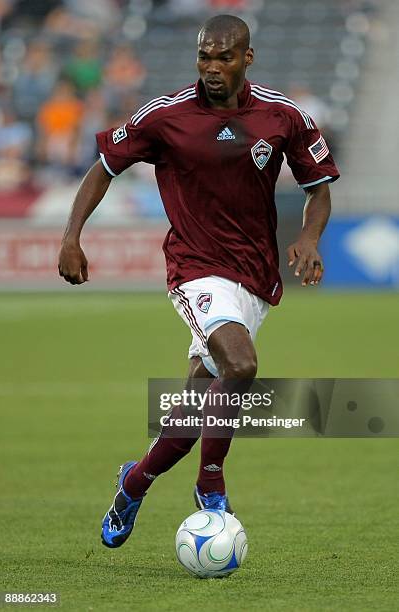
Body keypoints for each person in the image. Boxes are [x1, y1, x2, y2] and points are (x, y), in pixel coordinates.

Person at [58, 14, 339, 549]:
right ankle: (212, 487)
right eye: (204, 56)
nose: (212, 67)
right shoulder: (165, 116)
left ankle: (133, 483)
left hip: (255, 276)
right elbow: (103, 167)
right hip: (195, 267)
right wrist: (72, 236)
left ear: (247, 58)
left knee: (193, 411)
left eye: (224, 57)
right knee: (242, 364)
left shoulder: (283, 116)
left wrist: (308, 238)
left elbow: (318, 188)